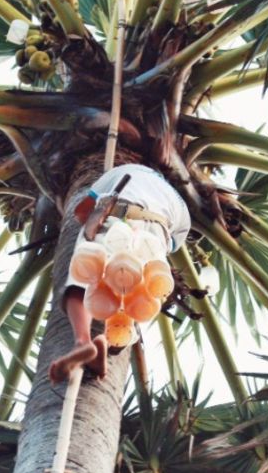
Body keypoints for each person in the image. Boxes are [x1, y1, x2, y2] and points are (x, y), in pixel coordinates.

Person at [48, 164, 190, 383]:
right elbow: (171, 244)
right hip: (155, 237)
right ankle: (115, 339)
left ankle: (83, 340)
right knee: (139, 293)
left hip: (116, 217)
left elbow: (81, 212)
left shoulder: (124, 171)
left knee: (85, 278)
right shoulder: (179, 204)